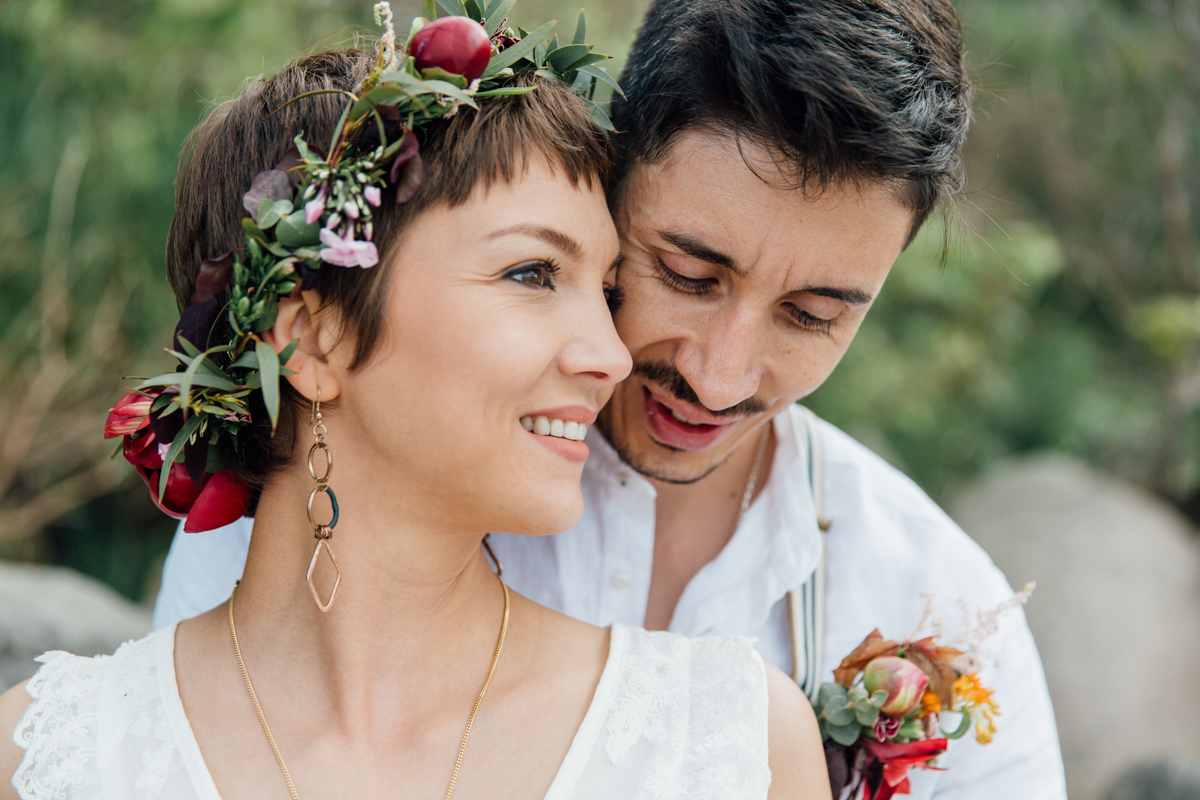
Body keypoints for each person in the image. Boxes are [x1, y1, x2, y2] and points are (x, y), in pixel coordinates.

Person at [157, 0, 1066, 797]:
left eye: (811, 316)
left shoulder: (940, 599)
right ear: (608, 183)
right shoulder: (333, 504)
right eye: (686, 273)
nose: (719, 375)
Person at [0, 22, 830, 800]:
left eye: (607, 292)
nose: (612, 355)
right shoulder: (48, 760)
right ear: (312, 339)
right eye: (534, 274)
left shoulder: (731, 747)